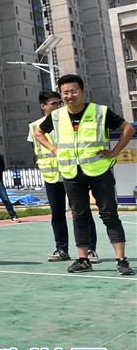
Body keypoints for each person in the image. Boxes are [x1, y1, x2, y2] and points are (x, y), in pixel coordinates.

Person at [34, 74, 134, 275]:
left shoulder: (99, 111)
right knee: (79, 215)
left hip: (99, 171)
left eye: (74, 91)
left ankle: (121, 260)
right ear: (61, 95)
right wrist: (54, 149)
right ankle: (83, 259)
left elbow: (128, 129)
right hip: (71, 173)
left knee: (109, 214)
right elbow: (38, 133)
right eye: (65, 92)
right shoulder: (56, 116)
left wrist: (115, 152)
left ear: (82, 92)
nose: (69, 96)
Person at [28, 90, 98, 262]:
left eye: (59, 103)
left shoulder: (68, 121)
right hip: (52, 176)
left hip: (73, 173)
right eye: (53, 103)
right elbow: (36, 151)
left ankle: (90, 250)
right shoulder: (35, 126)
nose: (58, 106)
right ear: (43, 106)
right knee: (57, 214)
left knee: (82, 211)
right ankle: (61, 249)